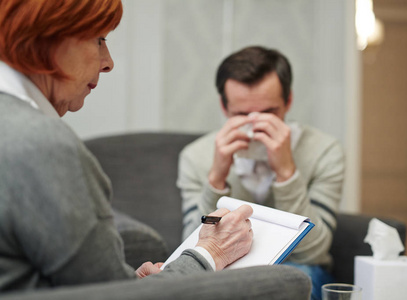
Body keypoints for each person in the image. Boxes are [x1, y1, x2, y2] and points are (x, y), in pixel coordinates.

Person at [0, 0, 253, 292]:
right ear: (50, 38)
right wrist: (212, 253)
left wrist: (128, 280)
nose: (108, 62)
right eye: (99, 40)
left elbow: (87, 283)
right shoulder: (44, 145)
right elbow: (112, 297)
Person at [178, 46, 345, 300]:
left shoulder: (324, 151)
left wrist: (287, 173)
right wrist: (216, 180)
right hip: (225, 272)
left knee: (300, 278)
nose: (255, 126)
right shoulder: (196, 156)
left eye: (268, 113)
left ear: (288, 101)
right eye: (242, 115)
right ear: (224, 107)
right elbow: (193, 253)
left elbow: (313, 252)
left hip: (298, 269)